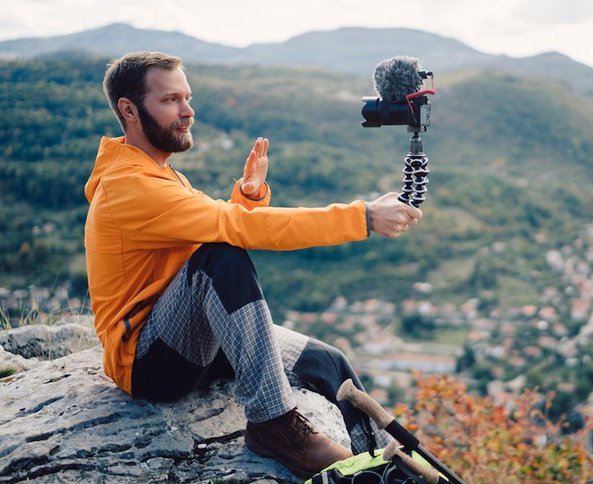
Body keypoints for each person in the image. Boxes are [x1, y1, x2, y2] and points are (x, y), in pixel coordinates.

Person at [84, 51, 422, 478]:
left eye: (187, 98)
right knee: (221, 258)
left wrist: (247, 195)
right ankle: (275, 426)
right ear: (129, 110)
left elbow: (214, 226)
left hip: (192, 339)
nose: (188, 111)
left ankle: (374, 469)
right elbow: (229, 233)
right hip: (149, 363)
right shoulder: (128, 187)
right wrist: (363, 217)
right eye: (171, 100)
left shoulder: (155, 172)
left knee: (327, 363)